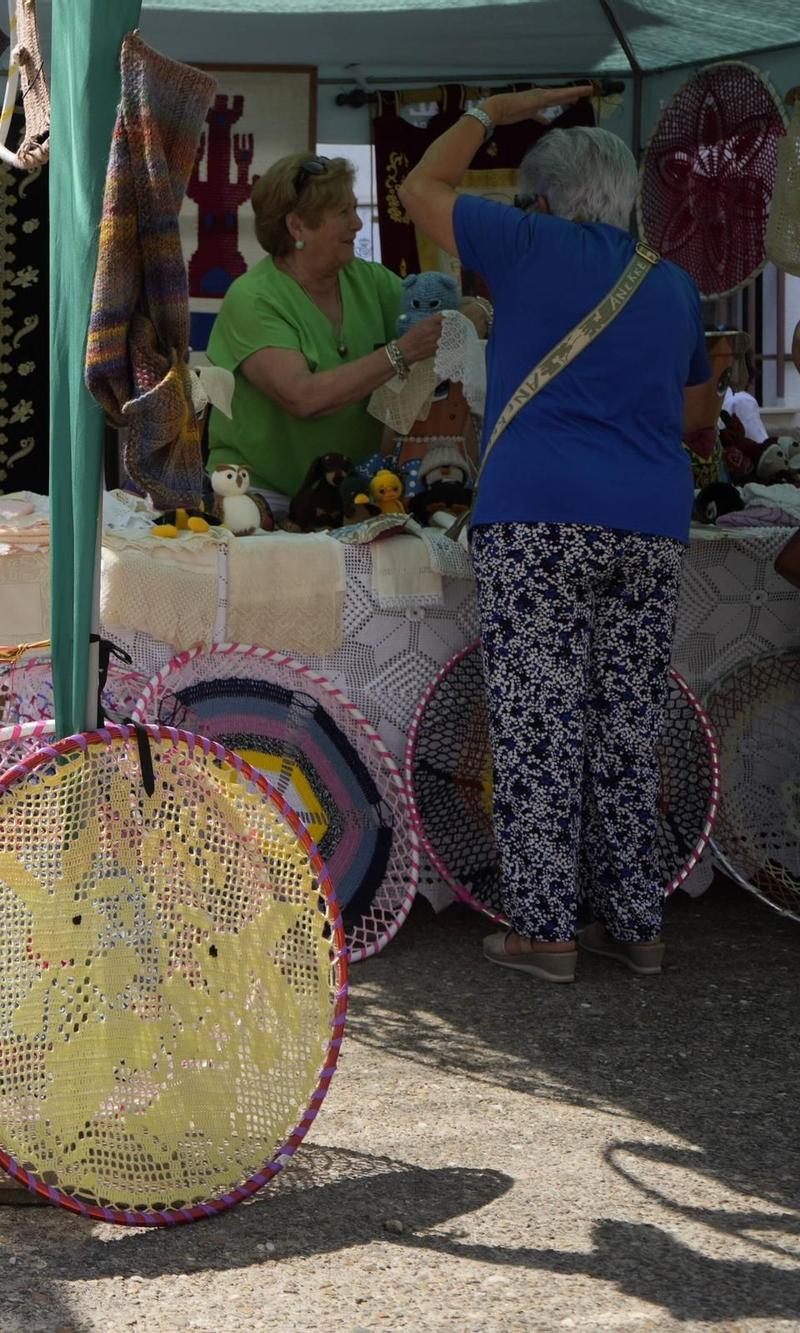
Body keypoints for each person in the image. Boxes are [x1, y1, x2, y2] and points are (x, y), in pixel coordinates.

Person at [400, 89, 709, 981]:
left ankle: (546, 929)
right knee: (627, 722)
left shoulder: (527, 245)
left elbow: (423, 186)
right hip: (650, 521)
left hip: (538, 513)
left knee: (540, 721)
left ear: (543, 199)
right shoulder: (674, 282)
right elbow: (694, 413)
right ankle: (637, 923)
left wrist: (491, 111)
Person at [205, 153, 479, 510]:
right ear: (298, 227)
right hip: (260, 496)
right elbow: (303, 398)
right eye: (343, 213)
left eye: (354, 209)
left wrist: (477, 314)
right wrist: (402, 352)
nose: (357, 225)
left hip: (357, 490)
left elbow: (438, 313)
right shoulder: (253, 299)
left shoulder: (367, 280)